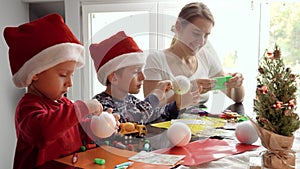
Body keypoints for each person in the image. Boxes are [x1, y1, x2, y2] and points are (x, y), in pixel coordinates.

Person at [3, 14, 119, 169]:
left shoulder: (65, 104)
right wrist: (83, 108)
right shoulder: (28, 107)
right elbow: (43, 132)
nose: (70, 83)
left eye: (71, 75)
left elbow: (81, 132)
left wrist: (101, 125)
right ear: (35, 73)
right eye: (63, 75)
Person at [89, 31, 202, 124]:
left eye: (141, 70)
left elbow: (155, 116)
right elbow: (134, 120)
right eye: (135, 72)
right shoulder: (99, 105)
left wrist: (177, 104)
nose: (143, 77)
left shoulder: (131, 100)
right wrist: (155, 95)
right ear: (113, 77)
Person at [143, 2, 245, 105]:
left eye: (206, 35)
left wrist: (237, 84)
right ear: (178, 27)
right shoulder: (156, 60)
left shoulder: (204, 56)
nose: (201, 41)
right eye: (196, 33)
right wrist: (185, 93)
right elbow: (149, 109)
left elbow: (237, 98)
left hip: (202, 121)